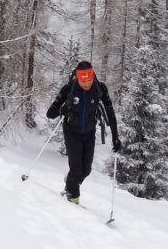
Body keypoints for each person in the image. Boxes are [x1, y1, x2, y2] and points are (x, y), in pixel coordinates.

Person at [46, 61, 121, 203]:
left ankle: (70, 181)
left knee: (86, 171)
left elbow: (110, 113)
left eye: (89, 80)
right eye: (83, 81)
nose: (86, 84)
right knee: (76, 170)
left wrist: (115, 137)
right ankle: (73, 200)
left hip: (89, 132)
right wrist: (62, 109)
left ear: (93, 77)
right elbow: (50, 114)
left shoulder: (100, 89)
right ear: (78, 78)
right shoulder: (69, 89)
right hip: (71, 131)